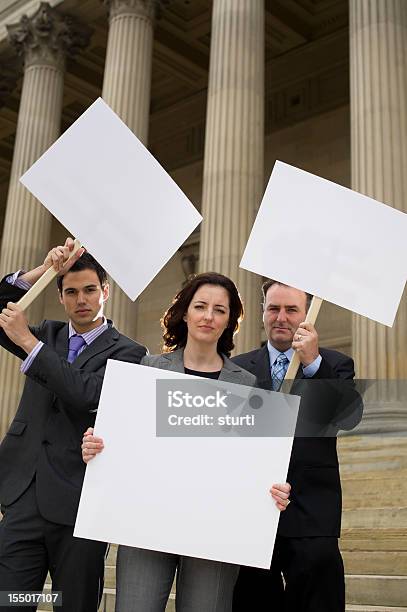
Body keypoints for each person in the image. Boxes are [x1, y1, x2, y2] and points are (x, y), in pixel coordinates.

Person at [82, 272, 291, 612]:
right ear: (185, 313)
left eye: (220, 310)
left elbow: (253, 463)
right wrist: (96, 447)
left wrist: (272, 490)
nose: (209, 316)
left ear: (230, 321)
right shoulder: (149, 369)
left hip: (214, 533)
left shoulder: (248, 385)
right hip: (145, 524)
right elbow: (123, 443)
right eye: (201, 306)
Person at [0, 238, 147, 612]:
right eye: (71, 291)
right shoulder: (47, 333)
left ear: (105, 292)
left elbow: (87, 393)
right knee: (13, 601)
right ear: (61, 297)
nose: (81, 299)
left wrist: (30, 345)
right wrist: (41, 270)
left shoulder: (128, 351)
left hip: (81, 504)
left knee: (73, 604)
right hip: (23, 497)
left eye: (89, 290)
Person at [232, 279, 363, 612]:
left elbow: (347, 417)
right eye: (274, 308)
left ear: (307, 315)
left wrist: (313, 364)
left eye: (292, 310)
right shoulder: (236, 367)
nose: (282, 317)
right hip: (253, 506)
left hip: (311, 507)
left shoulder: (335, 364)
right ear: (262, 312)